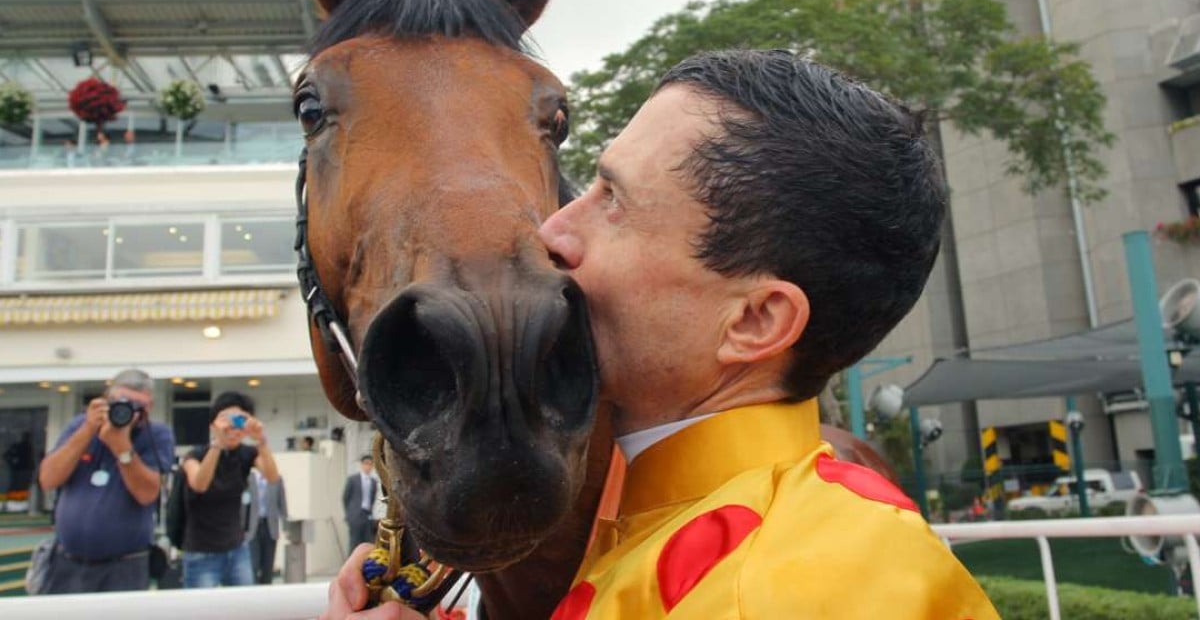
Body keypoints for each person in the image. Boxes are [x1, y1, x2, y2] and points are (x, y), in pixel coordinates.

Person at [323, 51, 999, 619]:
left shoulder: (791, 588)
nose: (552, 232)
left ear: (755, 320)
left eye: (613, 203)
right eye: (586, 186)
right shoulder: (715, 532)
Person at [37, 368, 174, 594]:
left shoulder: (156, 434)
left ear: (148, 408)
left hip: (125, 564)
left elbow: (147, 494)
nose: (127, 411)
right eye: (121, 402)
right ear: (105, 400)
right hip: (67, 561)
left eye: (137, 406)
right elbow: (48, 479)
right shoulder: (80, 426)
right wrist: (88, 429)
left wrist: (121, 447)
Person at [181, 391, 279, 588]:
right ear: (212, 425)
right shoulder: (195, 454)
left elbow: (272, 476)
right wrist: (218, 443)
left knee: (243, 609)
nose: (232, 427)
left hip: (236, 547)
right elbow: (200, 484)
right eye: (226, 419)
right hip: (201, 551)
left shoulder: (246, 454)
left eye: (239, 420)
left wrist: (261, 439)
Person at [247, 466, 288, 584]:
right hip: (252, 527)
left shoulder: (276, 479)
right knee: (253, 564)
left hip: (270, 526)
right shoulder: (248, 479)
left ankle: (266, 591)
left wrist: (285, 523)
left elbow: (282, 503)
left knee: (268, 565)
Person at [342, 455, 378, 550]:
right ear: (362, 465)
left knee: (369, 543)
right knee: (354, 543)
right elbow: (345, 498)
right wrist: (349, 514)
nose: (368, 467)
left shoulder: (373, 482)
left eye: (370, 464)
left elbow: (372, 499)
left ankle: (366, 564)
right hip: (355, 515)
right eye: (366, 464)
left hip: (367, 516)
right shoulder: (353, 479)